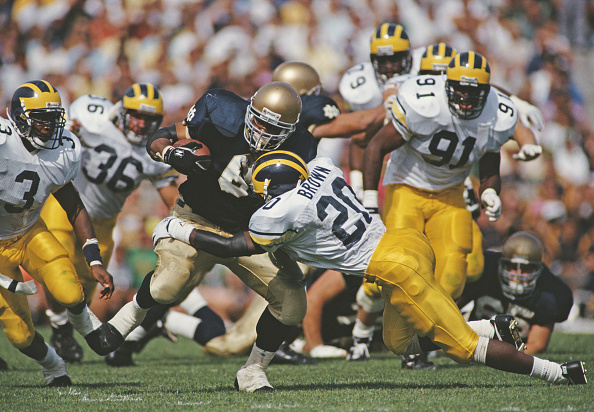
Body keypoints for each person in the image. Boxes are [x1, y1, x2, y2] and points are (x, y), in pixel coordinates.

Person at [152, 151, 587, 387]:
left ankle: (557, 372)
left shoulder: (278, 210)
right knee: (398, 340)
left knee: (462, 346)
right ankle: (490, 325)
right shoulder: (322, 168)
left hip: (393, 266)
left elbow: (234, 246)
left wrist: (181, 229)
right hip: (403, 240)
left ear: (272, 188)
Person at [92, 81, 318, 392]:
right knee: (169, 284)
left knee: (293, 303)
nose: (261, 131)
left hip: (250, 231)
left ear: (289, 130)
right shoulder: (220, 109)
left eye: (272, 127)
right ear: (248, 110)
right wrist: (170, 153)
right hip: (195, 216)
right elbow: (158, 138)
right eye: (258, 120)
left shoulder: (302, 146)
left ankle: (252, 371)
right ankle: (128, 318)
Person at [203, 61, 387, 362]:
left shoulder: (267, 120)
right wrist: (394, 103)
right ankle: (287, 342)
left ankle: (282, 339)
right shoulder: (304, 117)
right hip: (294, 208)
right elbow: (362, 124)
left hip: (287, 204)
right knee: (293, 276)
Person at [37, 82, 225, 365]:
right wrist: (70, 133)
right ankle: (60, 329)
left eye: (149, 119)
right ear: (121, 112)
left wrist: (198, 217)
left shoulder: (154, 151)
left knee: (84, 289)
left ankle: (66, 328)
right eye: (137, 115)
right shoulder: (91, 118)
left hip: (102, 222)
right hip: (64, 208)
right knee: (58, 268)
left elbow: (170, 195)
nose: (141, 124)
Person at [0, 80, 115, 386]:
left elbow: (74, 206)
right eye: (42, 119)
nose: (51, 127)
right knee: (20, 334)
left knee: (70, 290)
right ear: (21, 118)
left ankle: (88, 328)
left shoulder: (63, 150)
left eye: (54, 119)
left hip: (27, 233)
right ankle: (54, 365)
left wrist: (93, 259)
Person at [458, 232, 574, 355]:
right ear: (503, 264)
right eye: (513, 266)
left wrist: (501, 356)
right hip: (472, 337)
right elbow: (451, 308)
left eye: (526, 268)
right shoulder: (486, 269)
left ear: (537, 269)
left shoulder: (550, 292)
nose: (518, 274)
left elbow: (536, 345)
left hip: (516, 348)